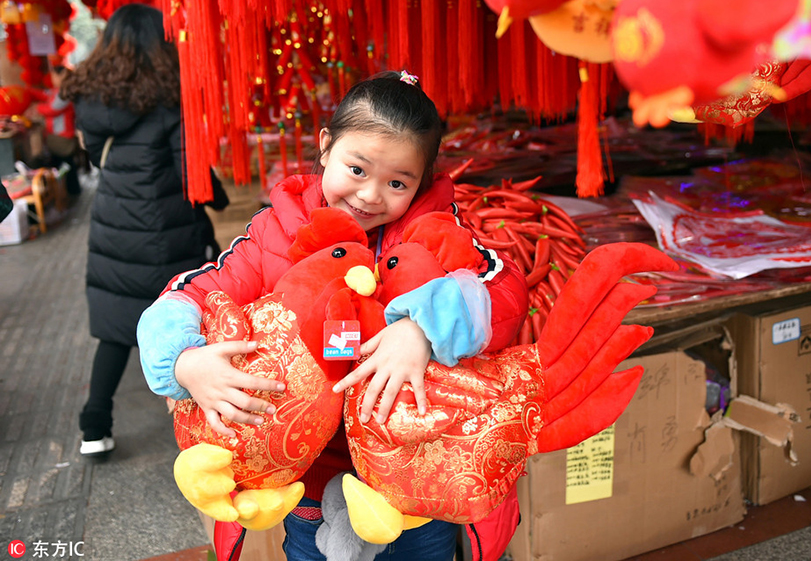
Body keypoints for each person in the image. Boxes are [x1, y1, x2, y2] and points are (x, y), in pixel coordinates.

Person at [137, 70, 528, 561]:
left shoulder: (436, 232)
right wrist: (182, 363)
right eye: (357, 169)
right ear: (326, 147)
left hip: (416, 481)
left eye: (397, 182)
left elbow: (504, 287)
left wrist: (423, 327)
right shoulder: (275, 233)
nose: (370, 195)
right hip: (315, 486)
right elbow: (188, 294)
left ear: (421, 182)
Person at [60, 3, 229, 459]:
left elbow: (97, 157)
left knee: (114, 329)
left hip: (114, 221)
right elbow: (188, 171)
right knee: (186, 317)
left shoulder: (92, 97)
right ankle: (206, 422)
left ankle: (94, 428)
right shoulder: (169, 98)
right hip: (166, 229)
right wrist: (218, 196)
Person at [36, 64, 81, 195]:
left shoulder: (64, 91)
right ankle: (67, 194)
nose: (52, 79)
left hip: (63, 135)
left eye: (54, 76)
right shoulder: (58, 90)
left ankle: (70, 193)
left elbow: (53, 108)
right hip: (60, 135)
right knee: (64, 165)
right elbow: (46, 96)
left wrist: (37, 108)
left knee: (66, 165)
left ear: (62, 75)